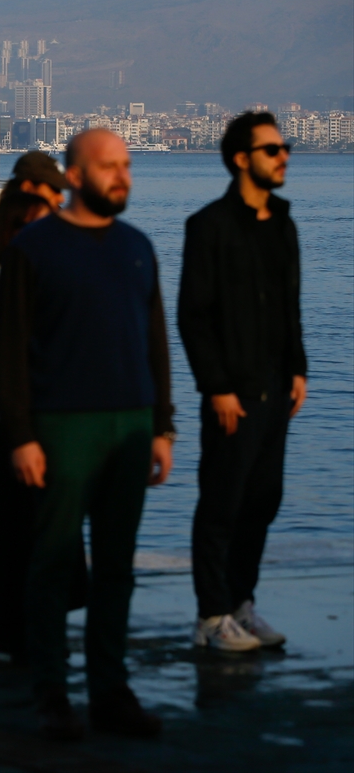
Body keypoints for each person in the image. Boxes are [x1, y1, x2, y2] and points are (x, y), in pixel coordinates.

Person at [0, 129, 173, 741]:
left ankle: (111, 692)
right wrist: (21, 435)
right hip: (61, 427)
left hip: (131, 423)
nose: (123, 176)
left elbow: (155, 344)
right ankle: (51, 695)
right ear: (74, 175)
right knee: (51, 562)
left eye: (126, 165)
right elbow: (10, 350)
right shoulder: (35, 249)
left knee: (117, 567)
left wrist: (164, 427)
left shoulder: (138, 247)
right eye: (109, 167)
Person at [178, 112, 306, 653]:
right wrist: (217, 387)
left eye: (285, 147)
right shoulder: (208, 226)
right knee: (221, 504)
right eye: (273, 149)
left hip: (276, 388)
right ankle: (211, 616)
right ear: (241, 158)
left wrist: (298, 369)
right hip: (230, 393)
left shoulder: (283, 222)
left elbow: (289, 306)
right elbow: (194, 315)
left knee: (264, 500)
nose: (284, 157)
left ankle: (240, 604)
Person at [0, 177, 86, 666]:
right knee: (20, 524)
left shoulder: (17, 274)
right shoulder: (0, 280)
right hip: (16, 422)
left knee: (29, 524)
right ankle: (18, 627)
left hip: (33, 417)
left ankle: (25, 622)